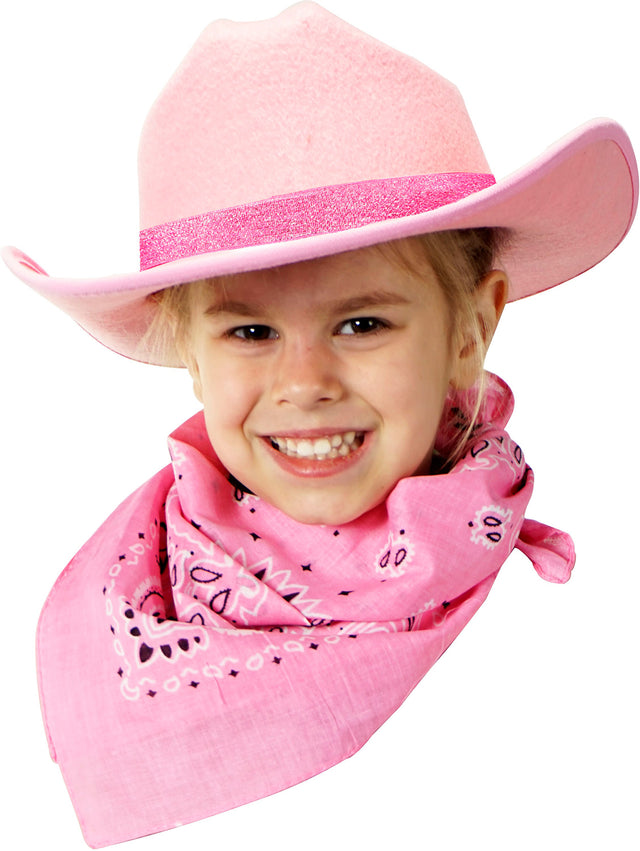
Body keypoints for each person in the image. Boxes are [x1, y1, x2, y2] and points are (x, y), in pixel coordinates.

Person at [1, 2, 637, 849]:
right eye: (250, 332)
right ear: (191, 354)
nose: (303, 385)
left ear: (471, 330)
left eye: (362, 324)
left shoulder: (560, 644)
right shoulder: (112, 620)